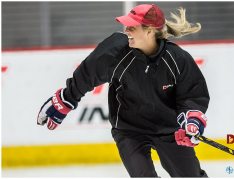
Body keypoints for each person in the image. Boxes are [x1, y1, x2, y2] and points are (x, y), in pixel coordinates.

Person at [37, 4, 210, 177]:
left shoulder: (177, 59)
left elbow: (193, 94)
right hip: (130, 130)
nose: (126, 30)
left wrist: (192, 120)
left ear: (149, 31)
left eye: (132, 27)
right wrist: (66, 99)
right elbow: (87, 74)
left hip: (169, 130)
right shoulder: (115, 51)